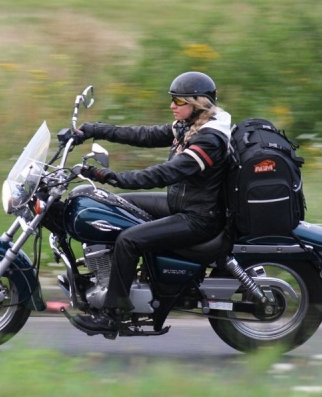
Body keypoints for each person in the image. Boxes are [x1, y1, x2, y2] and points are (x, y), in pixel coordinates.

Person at [69, 71, 232, 335]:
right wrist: (93, 130)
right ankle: (113, 278)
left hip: (200, 218)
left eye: (179, 101)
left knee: (129, 240)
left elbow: (164, 173)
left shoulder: (209, 139)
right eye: (173, 99)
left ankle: (112, 315)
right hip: (183, 203)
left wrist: (111, 177)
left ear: (198, 103)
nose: (172, 105)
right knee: (114, 204)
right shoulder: (190, 125)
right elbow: (143, 135)